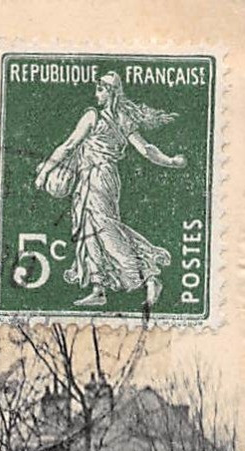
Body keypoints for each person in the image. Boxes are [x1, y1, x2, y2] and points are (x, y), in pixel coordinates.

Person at [34, 70, 188, 308]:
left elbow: (68, 145)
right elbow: (146, 149)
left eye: (100, 89)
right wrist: (170, 161)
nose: (96, 94)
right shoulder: (124, 120)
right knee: (88, 230)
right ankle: (98, 287)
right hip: (98, 178)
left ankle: (148, 276)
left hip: (97, 178)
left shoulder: (92, 117)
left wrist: (45, 172)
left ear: (110, 92)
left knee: (105, 229)